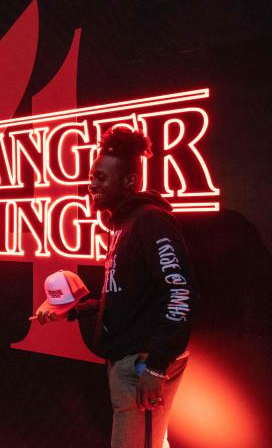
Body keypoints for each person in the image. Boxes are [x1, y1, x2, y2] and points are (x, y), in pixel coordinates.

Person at [35, 128, 195, 448]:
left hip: (141, 366)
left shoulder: (150, 222)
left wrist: (157, 365)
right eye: (92, 176)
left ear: (129, 182)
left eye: (100, 177)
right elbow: (128, 301)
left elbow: (180, 292)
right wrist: (71, 310)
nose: (91, 184)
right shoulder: (123, 226)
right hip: (130, 364)